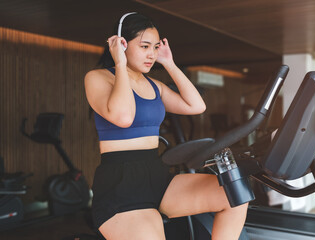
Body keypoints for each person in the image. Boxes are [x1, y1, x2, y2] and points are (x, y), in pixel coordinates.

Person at [84, 12, 248, 240]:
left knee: (235, 194)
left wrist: (169, 63)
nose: (151, 54)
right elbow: (123, 117)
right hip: (119, 184)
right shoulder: (98, 77)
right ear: (121, 44)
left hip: (157, 176)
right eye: (144, 46)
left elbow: (196, 106)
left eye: (155, 47)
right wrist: (119, 63)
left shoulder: (155, 86)